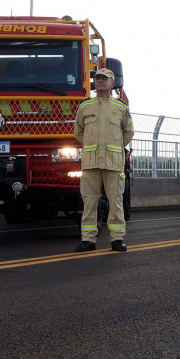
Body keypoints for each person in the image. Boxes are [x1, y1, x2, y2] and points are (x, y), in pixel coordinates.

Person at [73, 68, 134, 253]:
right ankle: (88, 240)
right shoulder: (85, 107)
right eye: (97, 78)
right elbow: (78, 132)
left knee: (115, 200)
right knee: (90, 201)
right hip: (91, 162)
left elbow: (128, 132)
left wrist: (114, 147)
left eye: (104, 79)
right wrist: (93, 146)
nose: (99, 81)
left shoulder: (121, 107)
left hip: (113, 162)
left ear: (112, 84)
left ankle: (117, 239)